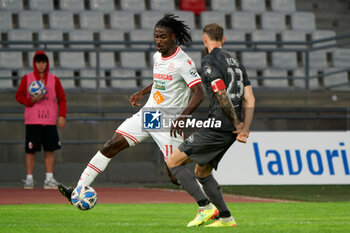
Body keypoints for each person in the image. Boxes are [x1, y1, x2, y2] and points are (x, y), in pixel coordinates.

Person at [58, 14, 204, 201]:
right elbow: (161, 81)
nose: (158, 41)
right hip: (149, 115)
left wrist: (183, 117)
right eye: (156, 36)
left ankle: (210, 200)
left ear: (173, 36)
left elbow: (200, 93)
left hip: (169, 122)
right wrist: (142, 92)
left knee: (175, 176)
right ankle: (78, 191)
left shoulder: (183, 63)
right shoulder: (157, 57)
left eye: (163, 37)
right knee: (111, 145)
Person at [166, 23, 255, 227]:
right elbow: (250, 98)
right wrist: (244, 127)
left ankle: (205, 207)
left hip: (219, 125)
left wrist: (236, 123)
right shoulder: (236, 63)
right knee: (202, 172)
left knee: (173, 162)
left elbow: (221, 94)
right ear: (223, 39)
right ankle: (226, 218)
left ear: (204, 40)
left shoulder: (209, 61)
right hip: (232, 129)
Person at [16, 50, 67, 189]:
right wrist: (30, 100)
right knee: (30, 150)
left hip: (49, 120)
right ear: (34, 63)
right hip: (33, 120)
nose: (41, 65)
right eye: (38, 62)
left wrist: (62, 115)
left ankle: (49, 179)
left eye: (43, 62)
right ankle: (29, 179)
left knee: (50, 150)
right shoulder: (27, 78)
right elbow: (19, 96)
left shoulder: (54, 79)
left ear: (47, 63)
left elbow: (62, 98)